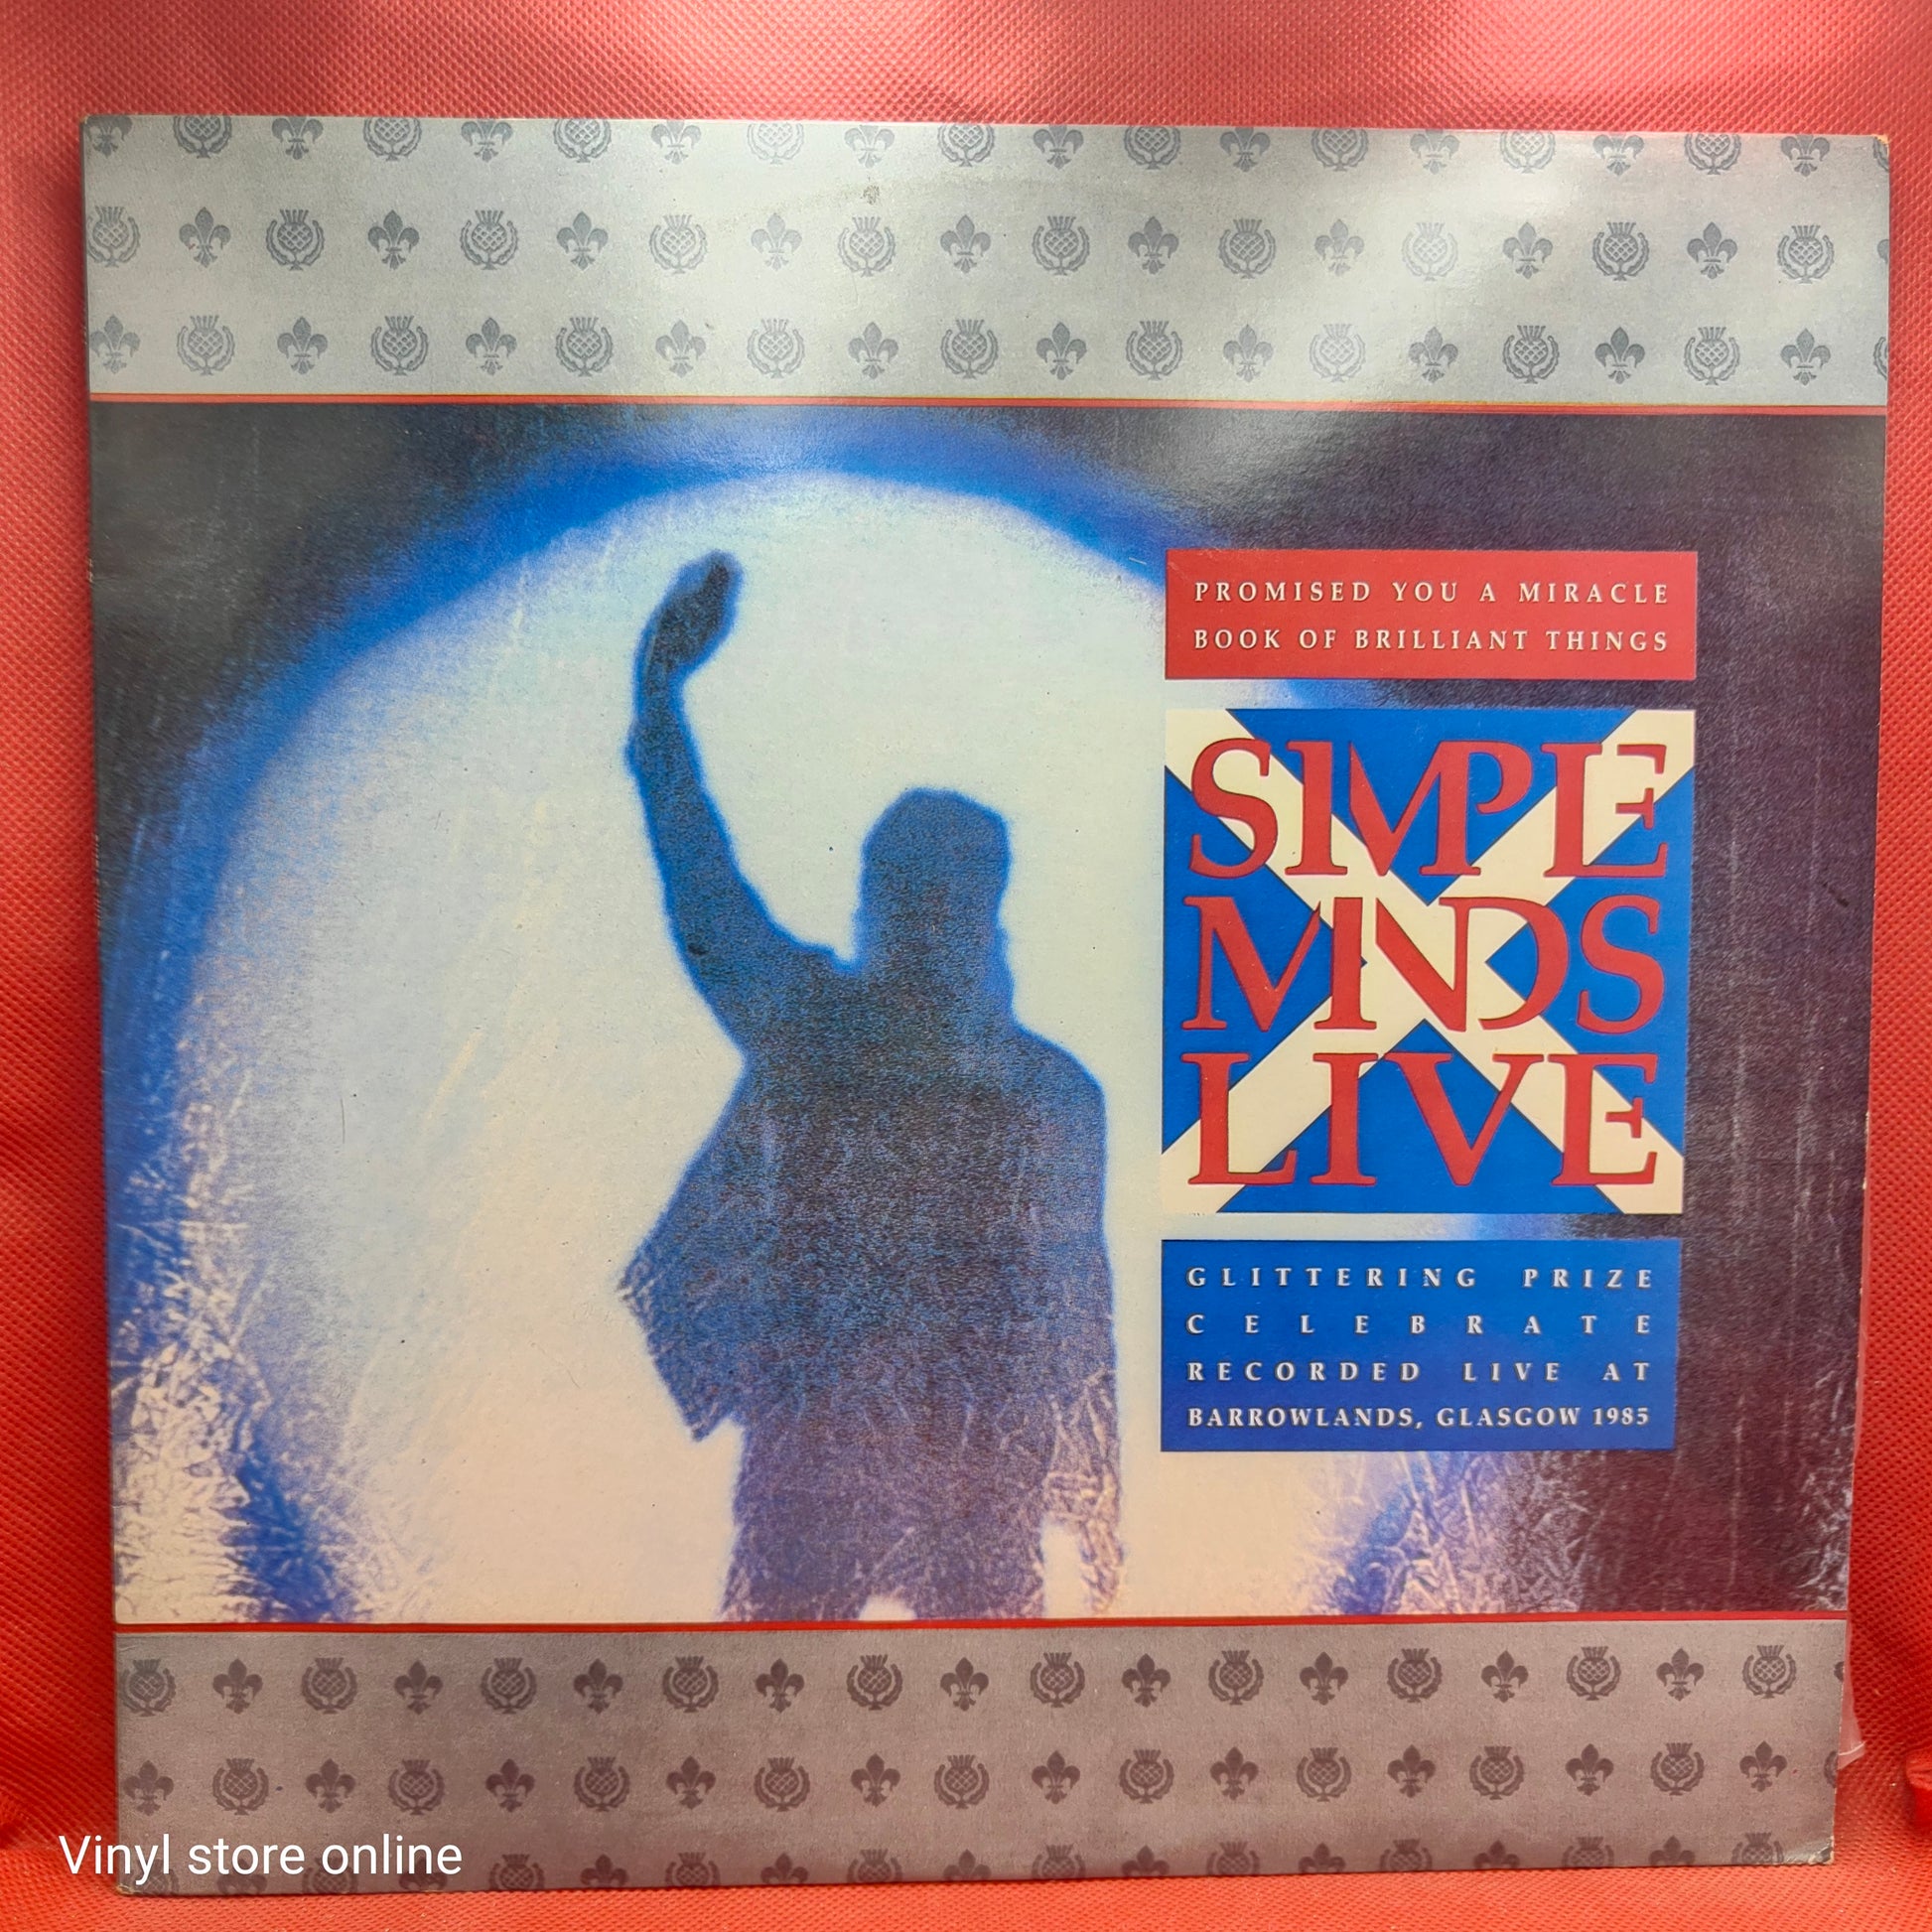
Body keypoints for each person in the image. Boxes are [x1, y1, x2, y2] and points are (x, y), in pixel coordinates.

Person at [620, 553, 1120, 1619]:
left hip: (962, 1484)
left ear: (979, 911)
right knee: (783, 1692)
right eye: (907, 895)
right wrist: (656, 705)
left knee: (972, 1708)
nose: (924, 922)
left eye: (943, 899)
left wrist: (1092, 1511)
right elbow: (702, 888)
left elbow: (1074, 1317)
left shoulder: (1040, 1093)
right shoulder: (826, 1030)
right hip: (827, 1468)